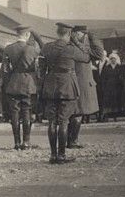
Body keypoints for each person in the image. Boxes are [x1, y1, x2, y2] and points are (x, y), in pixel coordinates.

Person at [39, 22, 93, 163]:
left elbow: (41, 69)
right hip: (67, 87)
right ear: (69, 33)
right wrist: (76, 42)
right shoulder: (71, 49)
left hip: (50, 86)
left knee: (52, 121)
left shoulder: (47, 47)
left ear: (57, 32)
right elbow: (87, 58)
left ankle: (52, 155)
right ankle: (61, 155)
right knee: (63, 121)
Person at [2, 25, 44, 150]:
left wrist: (7, 84)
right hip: (28, 84)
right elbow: (39, 66)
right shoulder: (33, 50)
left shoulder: (8, 49)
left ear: (17, 34)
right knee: (27, 111)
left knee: (14, 113)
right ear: (27, 35)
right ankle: (26, 141)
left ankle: (16, 142)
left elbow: (4, 70)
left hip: (13, 84)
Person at [67, 25, 104, 149]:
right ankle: (72, 141)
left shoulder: (75, 45)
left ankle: (71, 140)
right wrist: (90, 35)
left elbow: (98, 54)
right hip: (79, 83)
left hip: (76, 82)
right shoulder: (76, 47)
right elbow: (99, 53)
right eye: (83, 34)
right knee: (78, 112)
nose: (85, 37)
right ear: (76, 34)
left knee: (75, 112)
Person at [99, 52, 125, 121]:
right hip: (109, 87)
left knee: (116, 102)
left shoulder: (119, 67)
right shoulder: (106, 67)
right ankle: (107, 116)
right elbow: (103, 77)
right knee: (108, 102)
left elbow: (122, 76)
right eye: (111, 59)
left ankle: (115, 116)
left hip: (117, 87)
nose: (113, 60)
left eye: (114, 59)